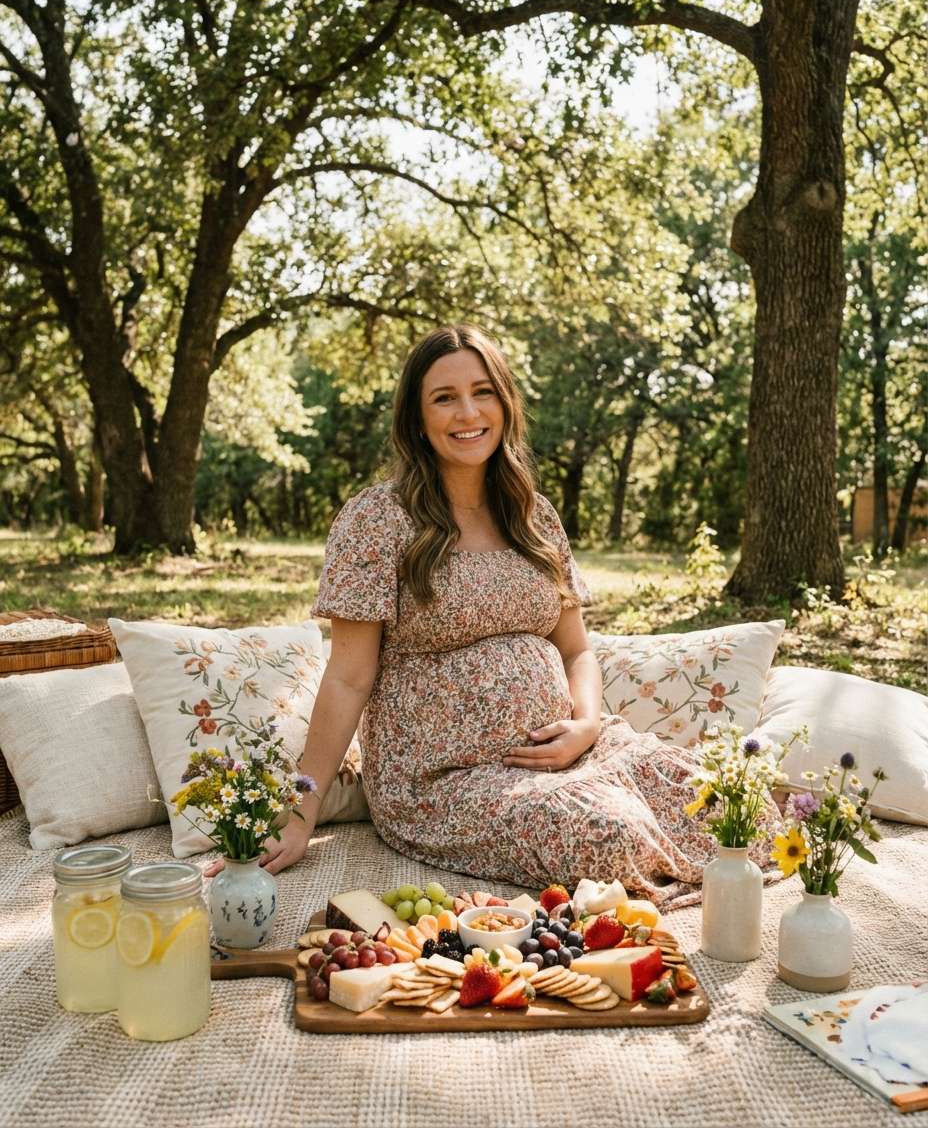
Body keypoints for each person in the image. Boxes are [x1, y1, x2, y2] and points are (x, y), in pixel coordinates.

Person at [212, 324, 776, 907]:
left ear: (505, 403)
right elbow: (347, 678)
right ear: (417, 419)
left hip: (574, 754)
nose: (468, 413)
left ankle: (694, 865)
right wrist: (299, 813)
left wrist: (586, 725)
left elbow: (577, 649)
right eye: (444, 398)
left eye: (482, 392)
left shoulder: (533, 515)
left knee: (734, 805)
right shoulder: (377, 519)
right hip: (443, 783)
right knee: (611, 836)